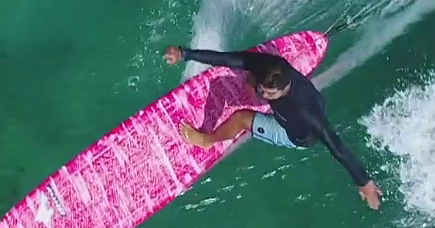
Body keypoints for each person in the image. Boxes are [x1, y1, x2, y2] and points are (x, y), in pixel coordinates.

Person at [163, 43, 383, 210]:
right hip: (287, 105)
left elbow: (337, 147)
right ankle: (253, 81)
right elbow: (226, 59)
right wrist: (184, 54)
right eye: (262, 89)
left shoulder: (306, 112)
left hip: (293, 133)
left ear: (284, 87)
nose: (263, 94)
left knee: (241, 117)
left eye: (268, 93)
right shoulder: (268, 65)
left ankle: (206, 140)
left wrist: (363, 183)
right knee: (248, 70)